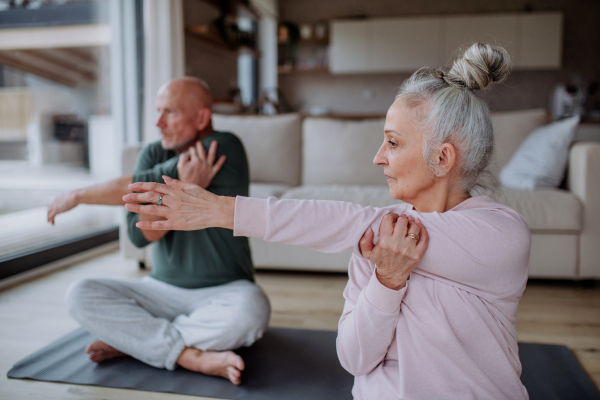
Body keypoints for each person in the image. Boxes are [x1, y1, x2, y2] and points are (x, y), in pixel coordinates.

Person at [124, 43, 531, 399]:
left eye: (393, 142)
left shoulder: (500, 233)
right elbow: (354, 358)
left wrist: (221, 210)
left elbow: (352, 222)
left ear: (442, 158)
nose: (378, 157)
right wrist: (388, 285)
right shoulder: (371, 251)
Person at [53, 77, 270, 385]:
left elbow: (135, 189)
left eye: (169, 112)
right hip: (159, 291)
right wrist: (182, 189)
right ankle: (189, 355)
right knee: (79, 294)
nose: (158, 122)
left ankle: (138, 343)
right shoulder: (152, 155)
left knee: (254, 310)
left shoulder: (224, 147)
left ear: (201, 118)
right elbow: (141, 236)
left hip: (226, 290)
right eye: (157, 111)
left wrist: (77, 195)